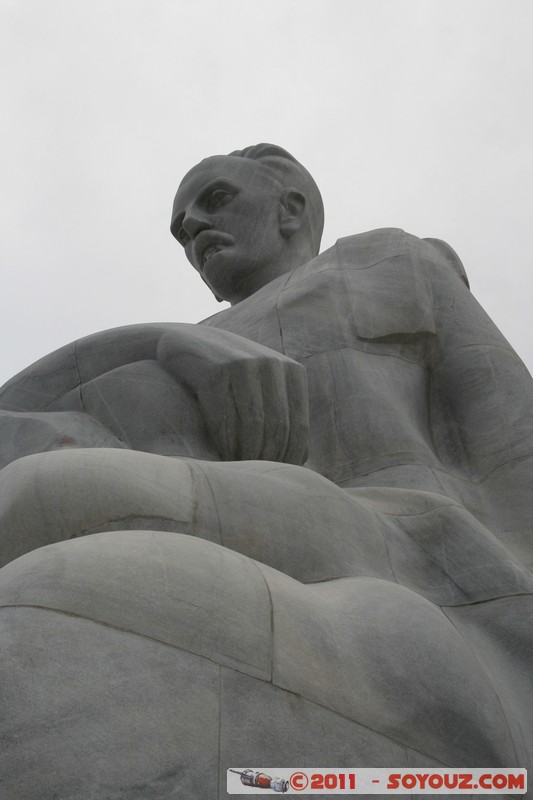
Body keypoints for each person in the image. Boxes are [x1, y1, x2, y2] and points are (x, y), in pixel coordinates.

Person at [0, 145, 532, 799]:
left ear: (290, 209)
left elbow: (511, 443)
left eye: (214, 199)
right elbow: (13, 425)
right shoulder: (188, 338)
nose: (192, 227)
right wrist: (155, 341)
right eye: (179, 227)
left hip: (409, 539)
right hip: (233, 520)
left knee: (49, 493)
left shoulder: (387, 260)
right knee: (34, 495)